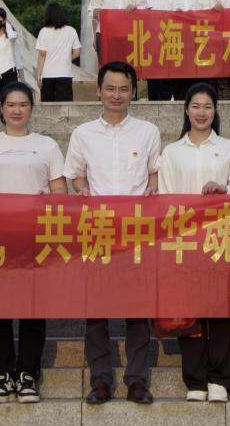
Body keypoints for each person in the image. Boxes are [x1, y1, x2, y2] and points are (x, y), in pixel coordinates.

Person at [64, 61, 162, 405]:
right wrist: (81, 189)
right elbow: (76, 174)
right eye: (110, 88)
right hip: (98, 230)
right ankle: (101, 380)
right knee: (96, 311)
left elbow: (154, 172)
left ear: (133, 92)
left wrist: (153, 189)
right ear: (98, 91)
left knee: (138, 310)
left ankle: (137, 380)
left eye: (123, 89)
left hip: (137, 231)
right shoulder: (83, 134)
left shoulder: (148, 131)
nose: (116, 95)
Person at [0, 81, 67, 403]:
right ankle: (2, 373)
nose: (17, 110)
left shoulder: (47, 146)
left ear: (31, 109)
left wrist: (45, 204)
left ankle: (27, 374)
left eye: (23, 104)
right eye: (11, 105)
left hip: (35, 238)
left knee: (33, 308)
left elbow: (60, 191)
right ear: (1, 109)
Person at [159, 83, 230, 402]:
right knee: (189, 311)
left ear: (215, 110)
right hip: (184, 241)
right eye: (195, 106)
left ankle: (221, 379)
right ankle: (195, 380)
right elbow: (165, 198)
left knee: (223, 310)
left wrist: (224, 190)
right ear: (186, 109)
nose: (201, 112)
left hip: (222, 237)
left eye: (207, 106)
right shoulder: (172, 152)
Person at [35, 3, 80, 103]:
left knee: (47, 107)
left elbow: (42, 55)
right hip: (65, 74)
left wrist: (38, 75)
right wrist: (66, 59)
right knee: (65, 107)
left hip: (47, 75)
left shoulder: (44, 31)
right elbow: (77, 52)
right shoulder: (71, 30)